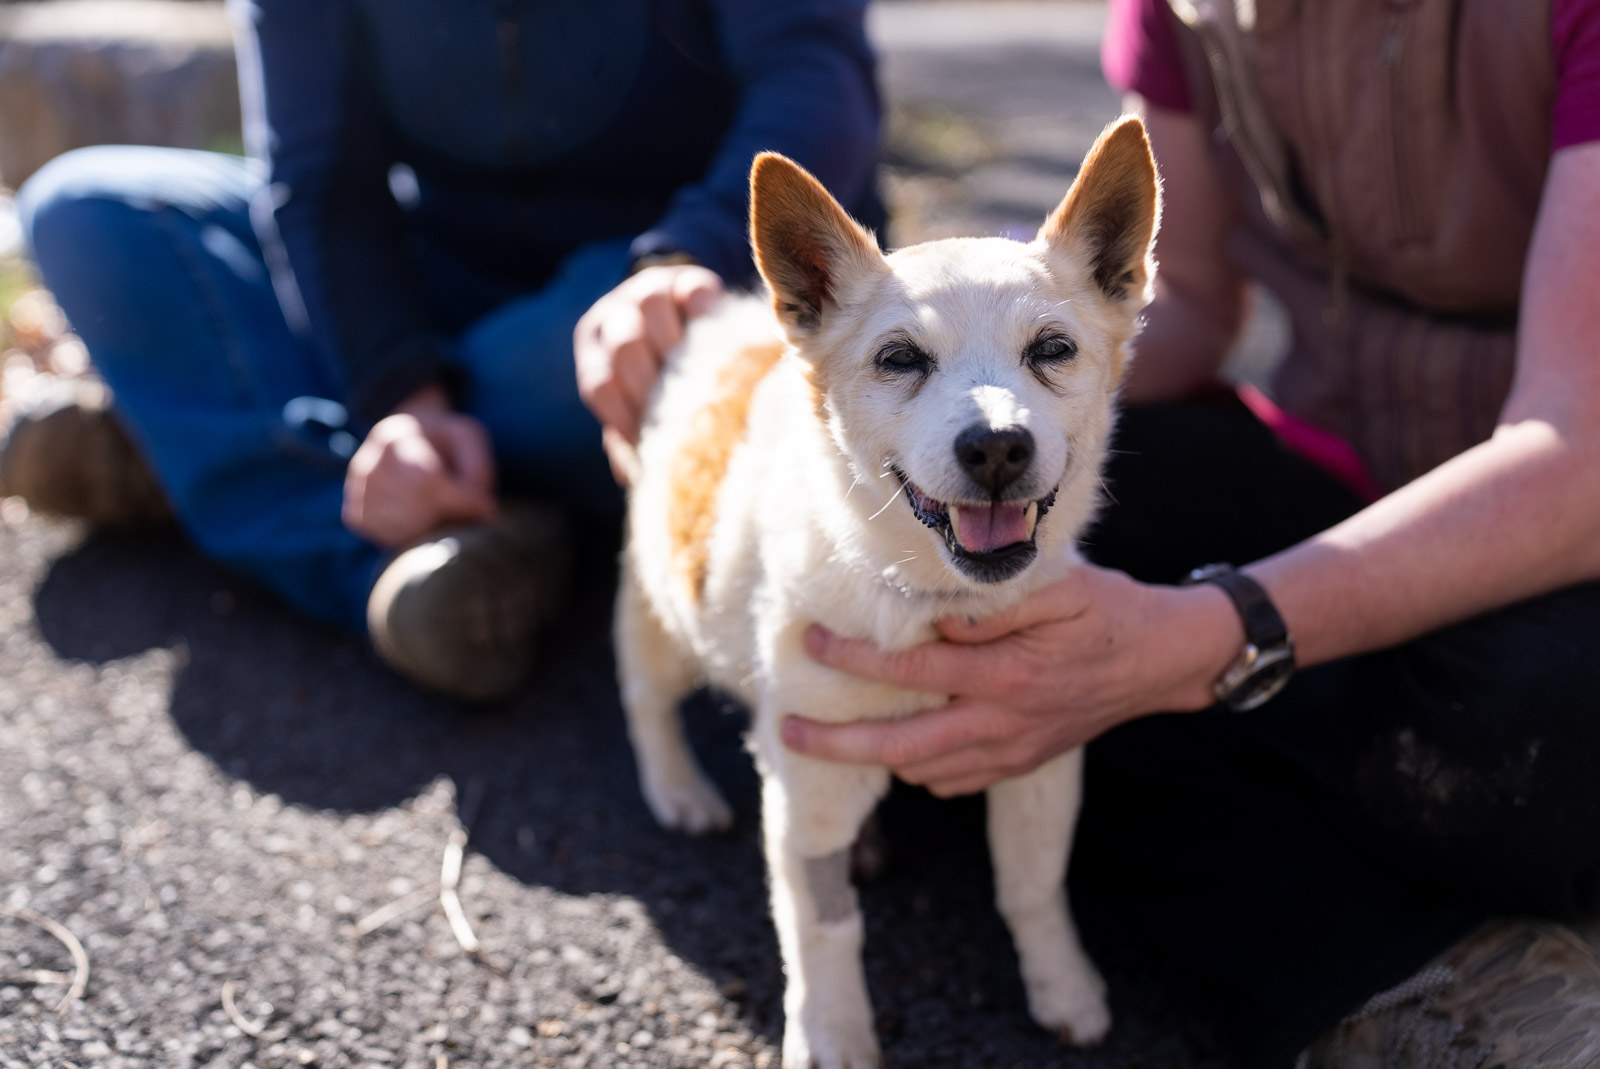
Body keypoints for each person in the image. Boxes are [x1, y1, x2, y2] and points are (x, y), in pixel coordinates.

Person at [730, 1, 1599, 1066]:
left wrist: (1203, 633)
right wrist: (983, 351)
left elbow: (1579, 452)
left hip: (1563, 510)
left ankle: (1412, 965)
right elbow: (1175, 300)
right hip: (1326, 472)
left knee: (1531, 731)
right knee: (958, 623)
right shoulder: (1183, 10)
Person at [8, 0, 882, 700]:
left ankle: (221, 453)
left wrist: (690, 255)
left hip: (658, 287)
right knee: (88, 209)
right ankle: (417, 534)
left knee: (616, 363)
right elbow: (318, 184)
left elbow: (816, 80)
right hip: (429, 276)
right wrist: (403, 398)